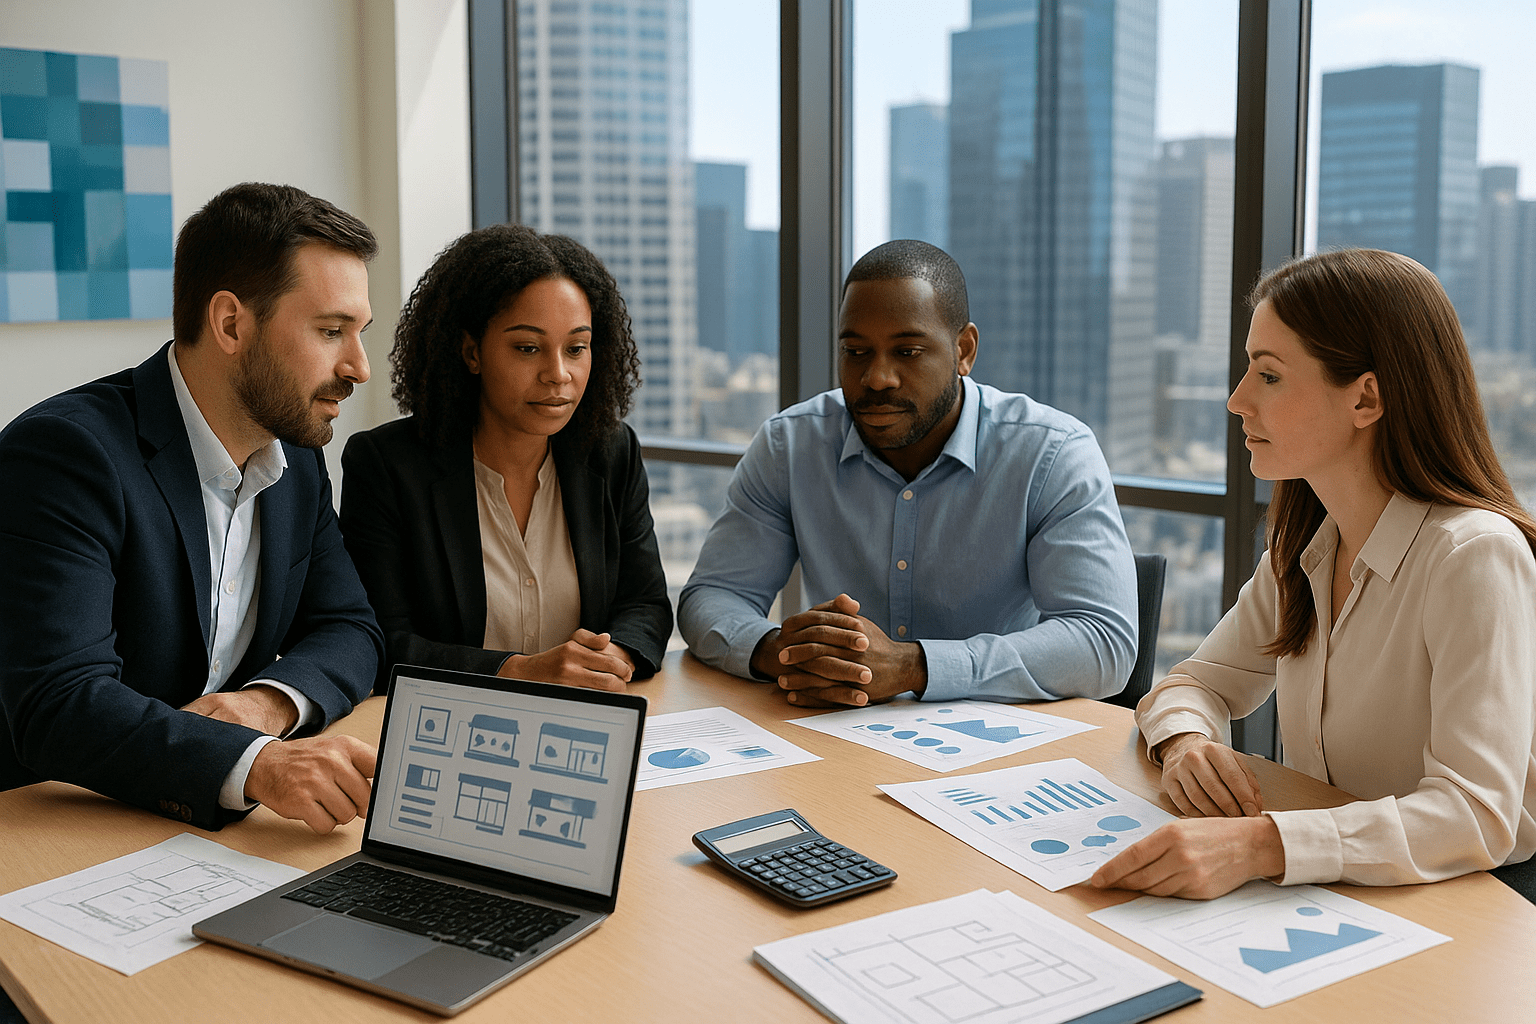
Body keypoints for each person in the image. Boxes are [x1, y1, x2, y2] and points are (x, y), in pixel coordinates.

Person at [1090, 248, 1536, 900]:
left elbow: (1476, 814)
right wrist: (1188, 743)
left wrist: (1260, 845)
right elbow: (1193, 683)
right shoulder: (1305, 550)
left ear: (1367, 397)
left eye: (1268, 376)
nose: (1237, 399)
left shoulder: (1473, 557)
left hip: (1465, 903)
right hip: (1332, 892)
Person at [0, 182, 385, 833]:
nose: (359, 366)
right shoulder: (66, 455)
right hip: (58, 824)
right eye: (330, 331)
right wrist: (257, 764)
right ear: (231, 323)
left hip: (198, 829)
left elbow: (352, 628)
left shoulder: (296, 457)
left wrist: (265, 707)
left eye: (359, 333)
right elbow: (60, 704)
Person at [677, 239, 1138, 706]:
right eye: (856, 352)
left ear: (964, 350)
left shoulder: (1052, 453)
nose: (878, 378)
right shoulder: (790, 445)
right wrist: (783, 651)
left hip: (996, 746)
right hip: (830, 734)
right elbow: (712, 596)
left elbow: (1104, 643)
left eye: (908, 352)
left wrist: (913, 666)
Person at [340, 224, 671, 692]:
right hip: (450, 728)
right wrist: (517, 671)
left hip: (585, 723)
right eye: (528, 348)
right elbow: (379, 641)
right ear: (472, 351)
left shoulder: (611, 452)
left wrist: (610, 659)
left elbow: (646, 604)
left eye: (576, 348)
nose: (559, 375)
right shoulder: (387, 465)